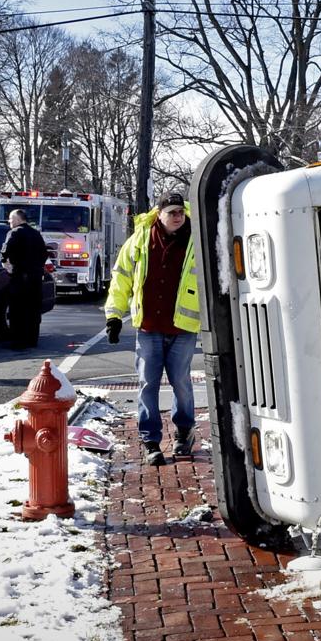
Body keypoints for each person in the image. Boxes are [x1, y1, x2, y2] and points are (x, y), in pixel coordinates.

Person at [105, 190, 200, 466]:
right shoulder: (140, 241)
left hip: (182, 328)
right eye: (172, 212)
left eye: (180, 211)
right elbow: (121, 278)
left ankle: (184, 432)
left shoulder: (197, 240)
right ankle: (150, 440)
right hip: (149, 327)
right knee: (148, 383)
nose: (178, 217)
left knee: (181, 383)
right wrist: (113, 315)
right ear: (159, 214)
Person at [0, 208, 50, 349]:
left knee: (17, 310)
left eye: (11, 218)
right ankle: (32, 339)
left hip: (20, 277)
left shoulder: (14, 233)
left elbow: (5, 251)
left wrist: (6, 264)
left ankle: (18, 341)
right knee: (33, 310)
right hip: (35, 278)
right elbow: (44, 254)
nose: (9, 221)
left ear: (18, 219)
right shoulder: (36, 234)